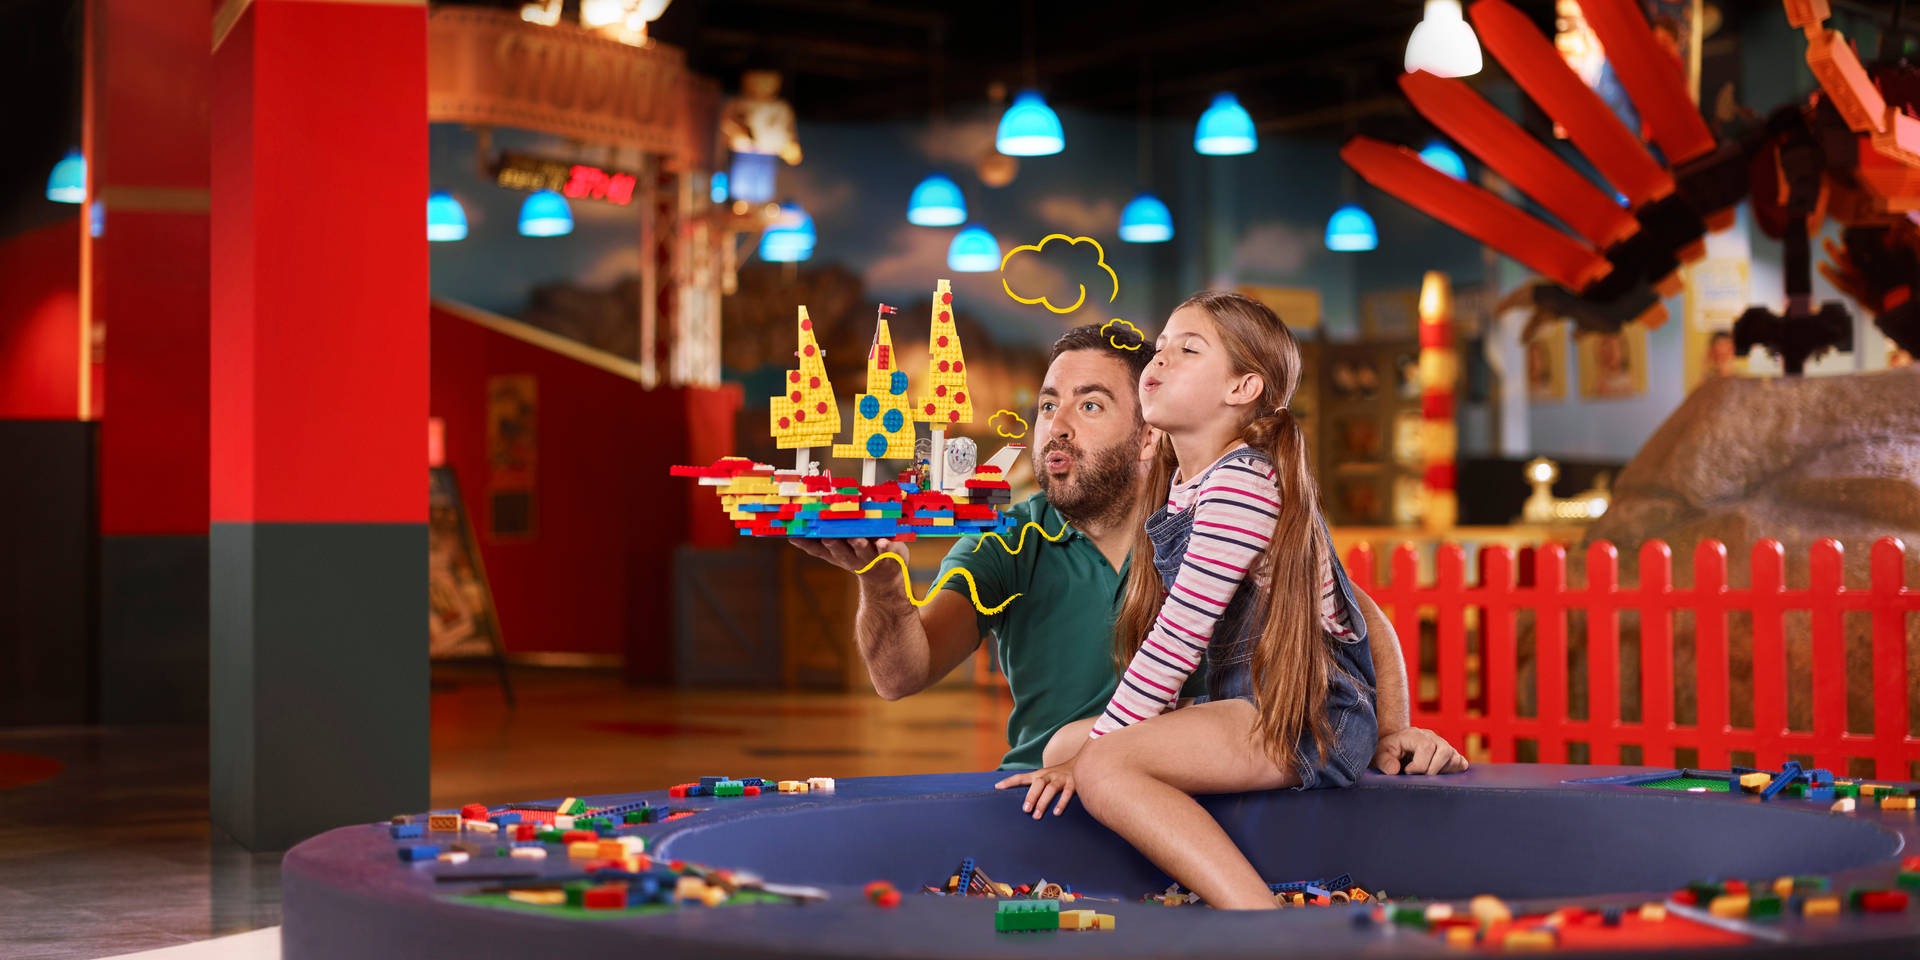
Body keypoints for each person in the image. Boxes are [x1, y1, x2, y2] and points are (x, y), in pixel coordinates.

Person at [788, 320, 1465, 781]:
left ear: (1150, 436)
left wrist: (1388, 732)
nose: (1054, 426)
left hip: (1191, 798)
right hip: (1043, 798)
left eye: (1088, 407)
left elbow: (1355, 614)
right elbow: (900, 674)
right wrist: (880, 581)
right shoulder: (1007, 539)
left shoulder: (1212, 518)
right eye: (1049, 404)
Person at [992, 292, 1408, 910]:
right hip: (1247, 703)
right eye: (1160, 347)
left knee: (1102, 767)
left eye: (1187, 350)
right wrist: (1082, 753)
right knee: (1061, 745)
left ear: (1242, 387)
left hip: (1302, 714)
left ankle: (1258, 925)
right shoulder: (1189, 483)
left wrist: (1098, 755)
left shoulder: (1243, 484)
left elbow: (1178, 639)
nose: (1158, 361)